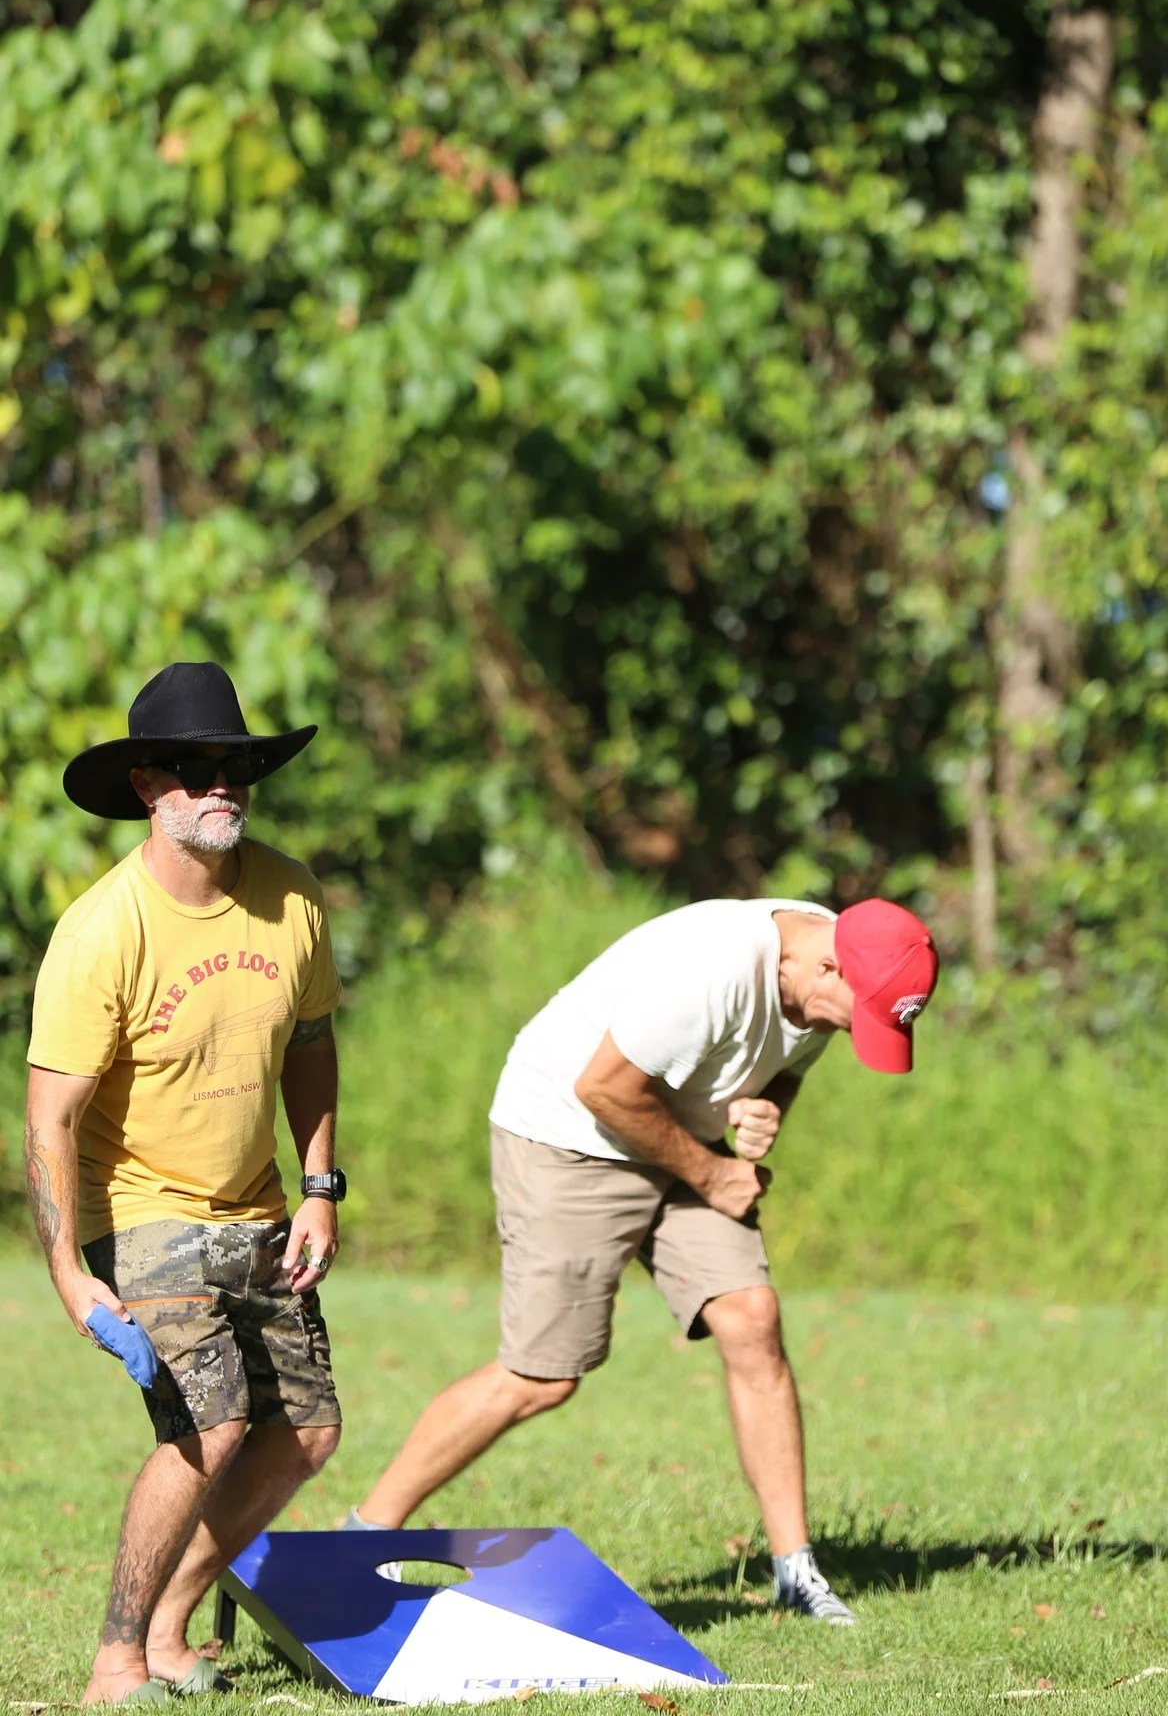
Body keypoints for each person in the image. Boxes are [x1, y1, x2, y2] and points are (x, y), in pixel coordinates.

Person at [348, 892, 937, 1625]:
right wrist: (716, 1172)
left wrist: (763, 1108)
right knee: (540, 1377)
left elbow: (785, 1060)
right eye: (852, 1015)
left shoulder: (835, 960)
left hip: (674, 1131)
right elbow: (600, 1088)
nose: (844, 1031)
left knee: (752, 1318)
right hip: (569, 1135)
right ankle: (362, 1535)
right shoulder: (714, 970)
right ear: (824, 965)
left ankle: (795, 1572)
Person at [25, 662, 348, 1706]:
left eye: (240, 765)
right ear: (146, 787)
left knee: (305, 1429)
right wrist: (71, 1273)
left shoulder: (291, 896)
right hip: (140, 1208)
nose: (225, 784)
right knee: (206, 1418)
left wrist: (320, 1183)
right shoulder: (100, 929)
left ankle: (169, 1625)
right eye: (199, 767)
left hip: (256, 1202)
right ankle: (114, 1659)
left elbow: (311, 1041)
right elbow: (50, 1116)